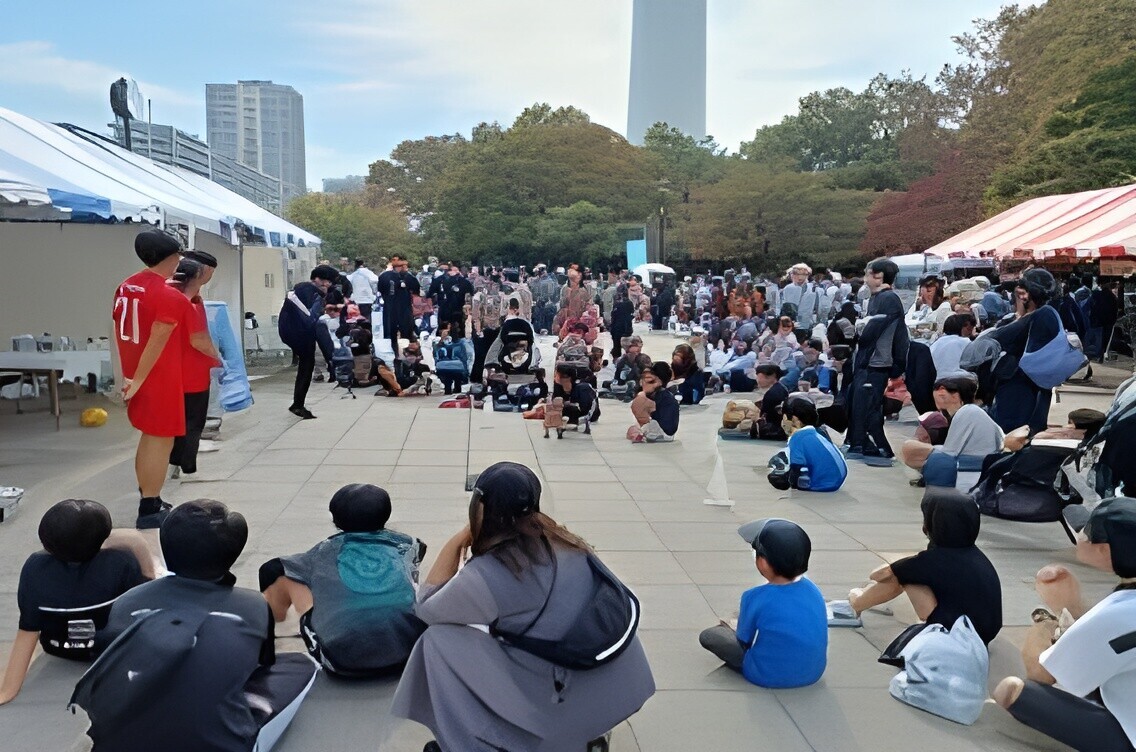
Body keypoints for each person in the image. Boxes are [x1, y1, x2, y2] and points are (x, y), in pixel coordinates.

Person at [390, 462, 655, 752]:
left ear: (480, 509)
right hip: (619, 689)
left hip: (563, 701)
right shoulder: (566, 542)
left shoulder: (490, 573)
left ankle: (482, 743)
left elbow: (427, 607)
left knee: (436, 641)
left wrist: (458, 541)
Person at [87, 500, 317, 752]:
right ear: (233, 553)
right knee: (300, 665)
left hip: (121, 741)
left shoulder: (126, 601)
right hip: (217, 743)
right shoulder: (252, 606)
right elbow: (258, 670)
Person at [994, 497, 1136, 752]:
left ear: (1104, 549)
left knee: (1012, 690)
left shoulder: (1116, 613)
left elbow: (1042, 673)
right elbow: (1112, 643)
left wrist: (1045, 621)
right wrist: (1071, 606)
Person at [259, 484, 426, 676]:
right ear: (386, 515)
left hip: (341, 662)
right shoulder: (409, 544)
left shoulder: (323, 552)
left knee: (302, 586)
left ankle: (266, 652)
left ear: (336, 520)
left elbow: (270, 568)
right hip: (409, 656)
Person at [0, 500, 152, 705]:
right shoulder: (121, 561)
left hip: (60, 648)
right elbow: (144, 596)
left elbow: (27, 632)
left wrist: (8, 689)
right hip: (113, 648)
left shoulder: (35, 569)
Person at [847, 488, 1002, 645]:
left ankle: (857, 603)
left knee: (904, 576)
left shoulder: (931, 561)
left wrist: (900, 565)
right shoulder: (976, 555)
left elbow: (878, 575)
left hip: (954, 637)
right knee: (909, 571)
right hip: (985, 633)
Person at [113, 230, 194, 528]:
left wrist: (130, 376)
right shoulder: (168, 296)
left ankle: (150, 497)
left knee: (150, 437)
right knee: (160, 440)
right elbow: (157, 340)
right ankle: (149, 507)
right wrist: (140, 379)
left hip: (135, 372)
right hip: (156, 376)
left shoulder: (126, 286)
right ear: (172, 257)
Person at [698, 519, 827, 688]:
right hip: (813, 673)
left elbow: (744, 640)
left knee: (710, 636)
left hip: (765, 674)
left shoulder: (754, 597)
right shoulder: (814, 591)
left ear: (763, 563)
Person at [846, 257, 909, 467]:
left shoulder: (888, 298)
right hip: (870, 361)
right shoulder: (876, 298)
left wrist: (858, 328)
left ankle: (874, 446)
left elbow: (870, 330)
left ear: (879, 276)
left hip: (877, 362)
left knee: (869, 407)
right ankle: (860, 443)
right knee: (860, 405)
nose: (866, 278)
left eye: (869, 273)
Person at [986, 268, 1062, 433]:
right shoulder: (1043, 315)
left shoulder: (1040, 316)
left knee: (1015, 431)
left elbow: (998, 338)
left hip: (1020, 383)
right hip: (1029, 382)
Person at [900, 372, 1005, 489]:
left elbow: (949, 454)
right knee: (912, 448)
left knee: (910, 448)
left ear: (954, 396)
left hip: (973, 469)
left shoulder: (968, 412)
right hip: (974, 464)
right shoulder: (969, 412)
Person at [168, 258, 221, 479]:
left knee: (178, 420)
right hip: (193, 372)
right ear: (199, 275)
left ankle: (175, 461)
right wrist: (218, 358)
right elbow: (198, 339)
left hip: (173, 370)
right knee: (193, 421)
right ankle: (184, 464)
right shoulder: (190, 304)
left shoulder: (174, 297)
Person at [278, 265, 339, 420]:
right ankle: (298, 404)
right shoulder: (308, 290)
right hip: (298, 332)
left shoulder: (305, 290)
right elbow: (310, 317)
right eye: (324, 281)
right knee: (307, 363)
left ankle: (298, 403)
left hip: (295, 331)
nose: (327, 284)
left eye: (329, 282)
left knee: (307, 363)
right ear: (316, 279)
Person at [780, 398, 847, 492]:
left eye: (783, 416)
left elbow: (797, 465)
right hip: (838, 480)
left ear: (794, 419)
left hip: (821, 484)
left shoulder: (798, 438)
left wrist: (791, 482)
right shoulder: (819, 432)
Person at [378, 254, 422, 354]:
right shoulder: (385, 276)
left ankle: (405, 354)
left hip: (403, 309)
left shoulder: (408, 277)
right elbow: (381, 290)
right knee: (391, 334)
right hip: (392, 308)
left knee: (405, 334)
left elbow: (416, 290)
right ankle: (394, 354)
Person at [627, 361, 679, 443]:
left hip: (663, 432)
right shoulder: (659, 394)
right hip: (664, 431)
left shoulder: (663, 396)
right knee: (632, 429)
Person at [429, 262, 474, 339]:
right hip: (451, 311)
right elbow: (471, 293)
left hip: (453, 311)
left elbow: (430, 294)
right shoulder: (440, 280)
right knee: (454, 334)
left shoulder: (439, 280)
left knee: (452, 333)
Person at [553, 364, 599, 429]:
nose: (554, 376)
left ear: (566, 377)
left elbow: (588, 410)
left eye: (556, 374)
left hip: (586, 420)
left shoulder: (583, 389)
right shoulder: (558, 389)